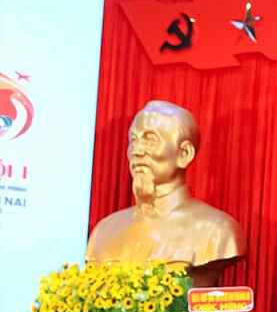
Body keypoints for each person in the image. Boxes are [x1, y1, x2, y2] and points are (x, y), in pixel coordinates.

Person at [85, 100, 246, 287]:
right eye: (134, 140)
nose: (136, 151)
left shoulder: (216, 231)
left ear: (184, 153)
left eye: (150, 139)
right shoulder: (105, 230)